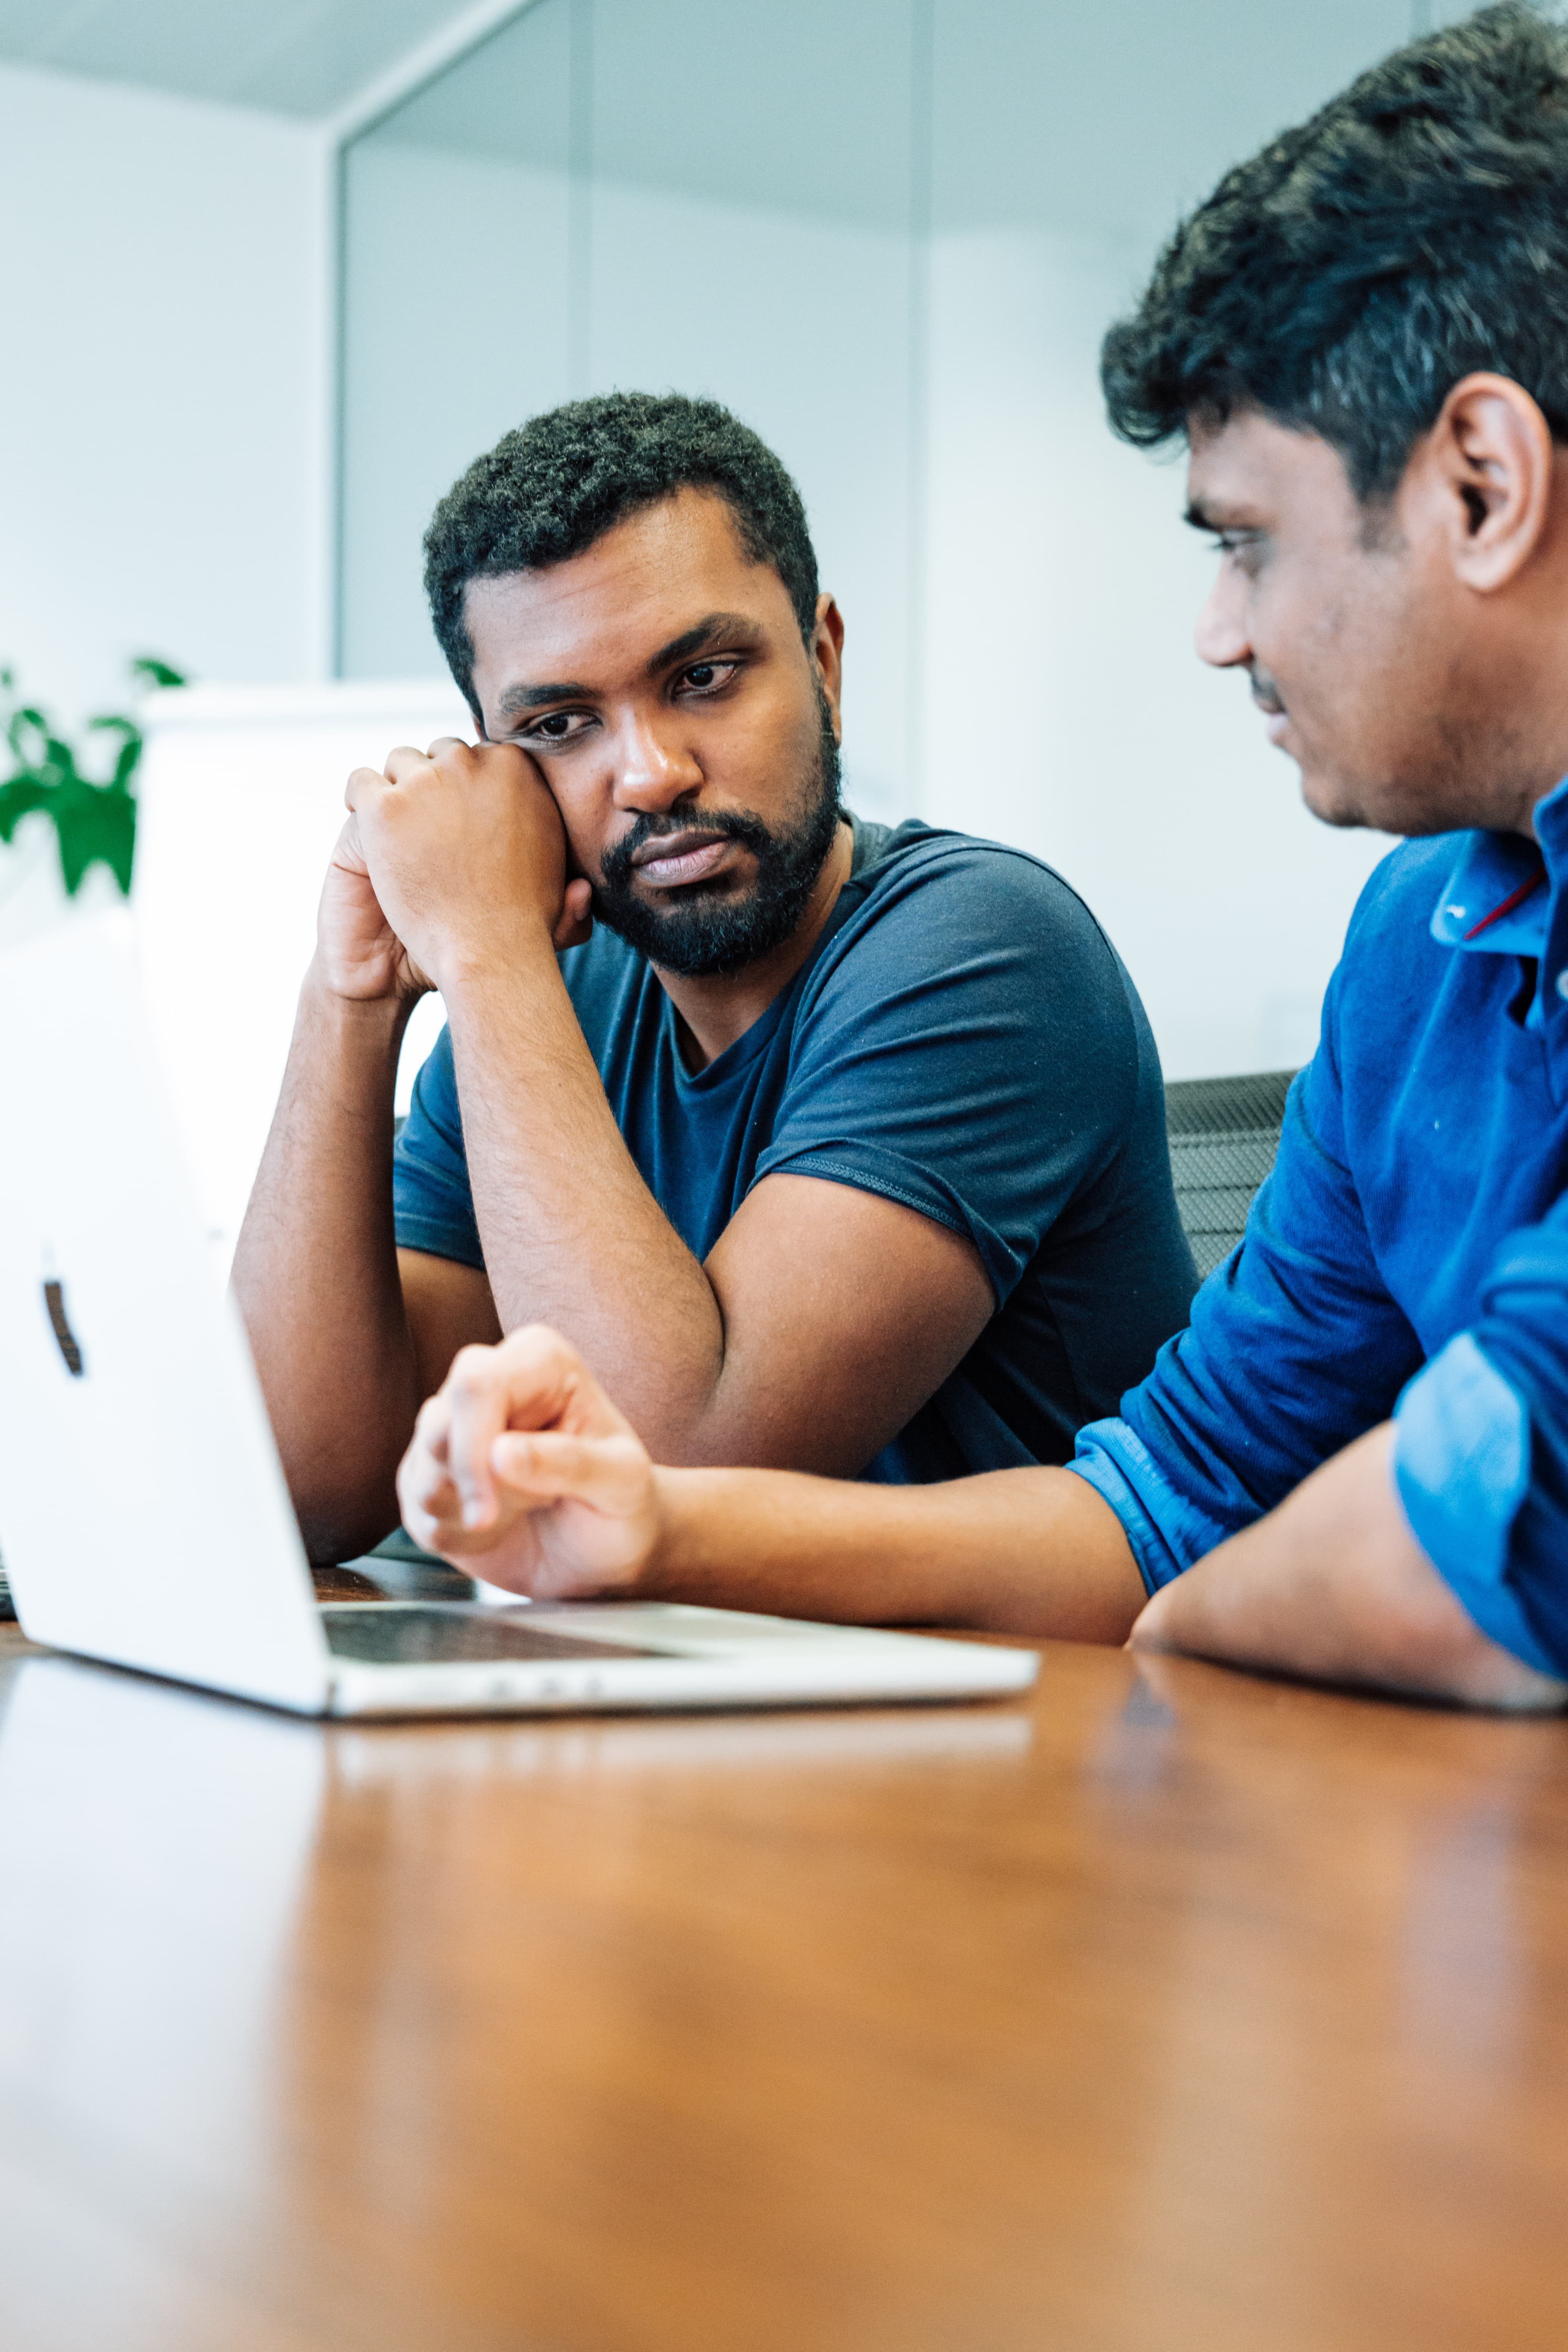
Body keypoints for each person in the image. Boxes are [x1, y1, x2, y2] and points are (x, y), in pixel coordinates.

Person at [394, 3, 1568, 1711]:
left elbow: (1487, 1542)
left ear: (1482, 483)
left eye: (1248, 541)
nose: (1220, 630)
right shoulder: (1423, 937)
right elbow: (1168, 1497)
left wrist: (1200, 1601)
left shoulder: (977, 939)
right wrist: (653, 1530)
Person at [234, 393, 1194, 1567]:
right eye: (560, 725)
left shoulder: (988, 946)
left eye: (704, 676)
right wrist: (353, 995)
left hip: (1022, 1681)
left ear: (824, 662)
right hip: (694, 1679)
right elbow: (292, 1492)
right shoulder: (555, 998)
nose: (650, 774)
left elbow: (667, 1471)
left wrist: (483, 952)